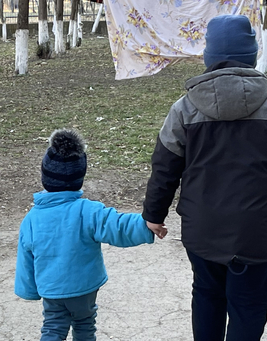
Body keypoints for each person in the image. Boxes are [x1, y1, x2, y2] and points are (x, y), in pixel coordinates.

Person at [142, 15, 267, 341]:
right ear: (251, 53)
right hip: (257, 233)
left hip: (203, 231)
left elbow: (165, 167)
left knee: (207, 295)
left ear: (209, 56)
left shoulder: (183, 110)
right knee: (249, 306)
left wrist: (154, 214)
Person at [14, 128, 162, 341]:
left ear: (45, 177)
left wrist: (29, 289)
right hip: (84, 288)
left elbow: (25, 257)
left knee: (53, 327)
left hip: (52, 289)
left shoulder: (31, 219)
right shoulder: (88, 211)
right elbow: (118, 226)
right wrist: (145, 225)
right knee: (84, 325)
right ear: (79, 179)